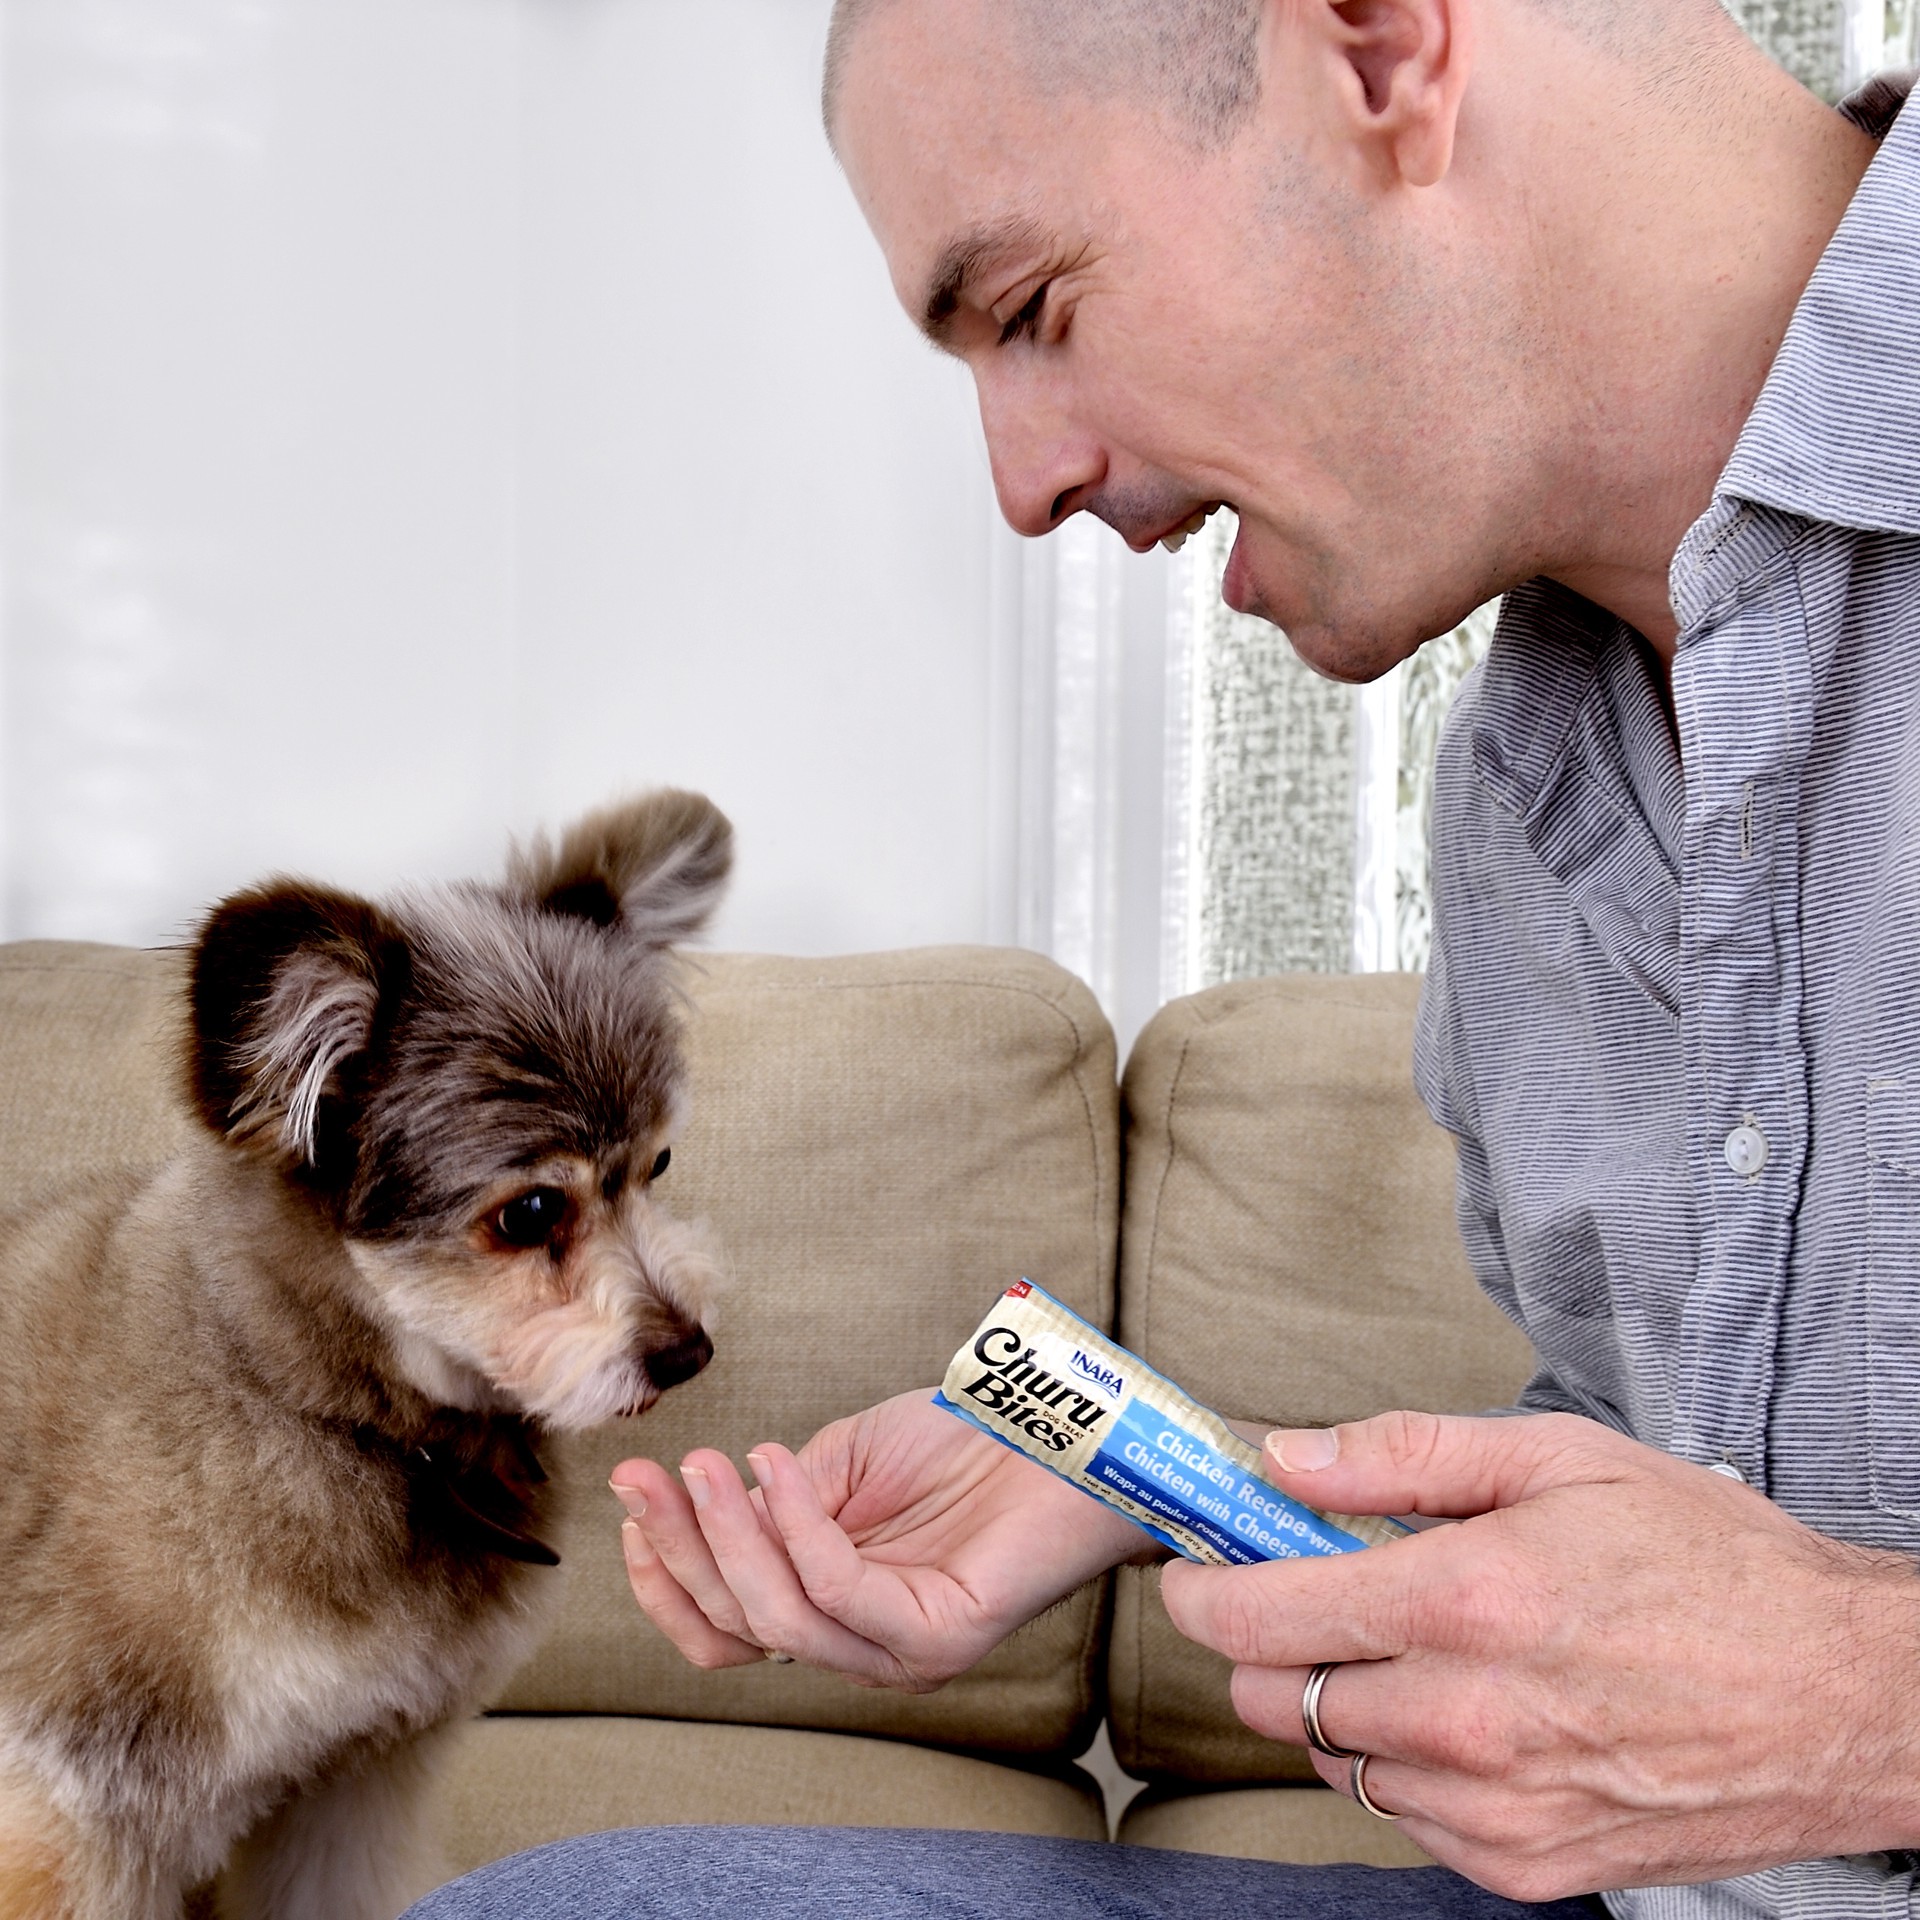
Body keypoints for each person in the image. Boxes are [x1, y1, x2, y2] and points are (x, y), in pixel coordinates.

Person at [405, 0, 1920, 1915]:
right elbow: (1676, 1505)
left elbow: (1779, 1649)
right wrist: (1167, 1470)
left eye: (1032, 307)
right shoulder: (1527, 799)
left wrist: (1864, 1695)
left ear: (1375, 55)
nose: (1023, 484)